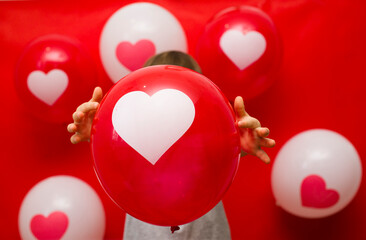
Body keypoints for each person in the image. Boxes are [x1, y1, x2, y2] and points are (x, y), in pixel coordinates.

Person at [67, 51, 275, 240]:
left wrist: (238, 143)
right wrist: (97, 132)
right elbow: (112, 151)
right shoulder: (134, 147)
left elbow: (223, 150)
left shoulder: (210, 147)